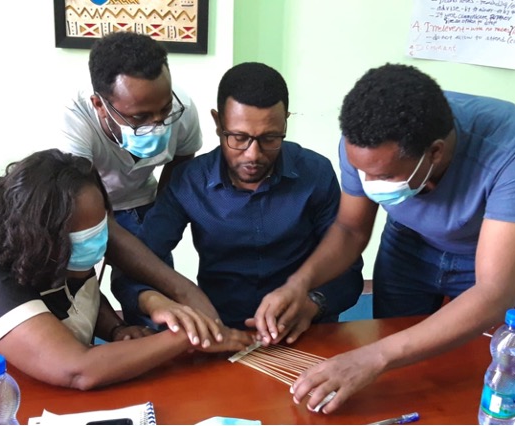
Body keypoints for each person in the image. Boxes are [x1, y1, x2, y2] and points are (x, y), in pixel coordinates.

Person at [253, 64, 515, 413]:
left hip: (485, 255)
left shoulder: (512, 144)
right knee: (398, 364)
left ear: (435, 153)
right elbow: (350, 229)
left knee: (480, 368)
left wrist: (372, 357)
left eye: (383, 175)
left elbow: (493, 293)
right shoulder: (362, 140)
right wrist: (298, 284)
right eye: (360, 170)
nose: (367, 181)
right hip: (409, 247)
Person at [0, 149, 252, 390]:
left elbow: (78, 296)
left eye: (102, 227)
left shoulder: (62, 252)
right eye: (85, 236)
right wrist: (189, 335)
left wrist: (117, 330)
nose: (99, 243)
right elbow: (76, 370)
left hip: (35, 387)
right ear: (42, 235)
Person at [115, 62, 364, 343]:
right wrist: (157, 303)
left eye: (270, 138)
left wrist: (313, 304)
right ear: (218, 123)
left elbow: (349, 270)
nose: (252, 155)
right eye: (239, 137)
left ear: (285, 123)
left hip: (304, 329)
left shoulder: (315, 173)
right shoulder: (189, 182)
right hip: (219, 331)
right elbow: (137, 265)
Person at [59, 30, 222, 345]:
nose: (159, 122)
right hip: (87, 209)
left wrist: (159, 222)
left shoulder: (182, 109)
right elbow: (91, 211)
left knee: (154, 300)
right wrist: (184, 289)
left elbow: (180, 167)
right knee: (77, 299)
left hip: (144, 200)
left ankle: (148, 344)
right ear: (99, 105)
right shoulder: (74, 122)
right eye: (140, 117)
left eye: (163, 110)